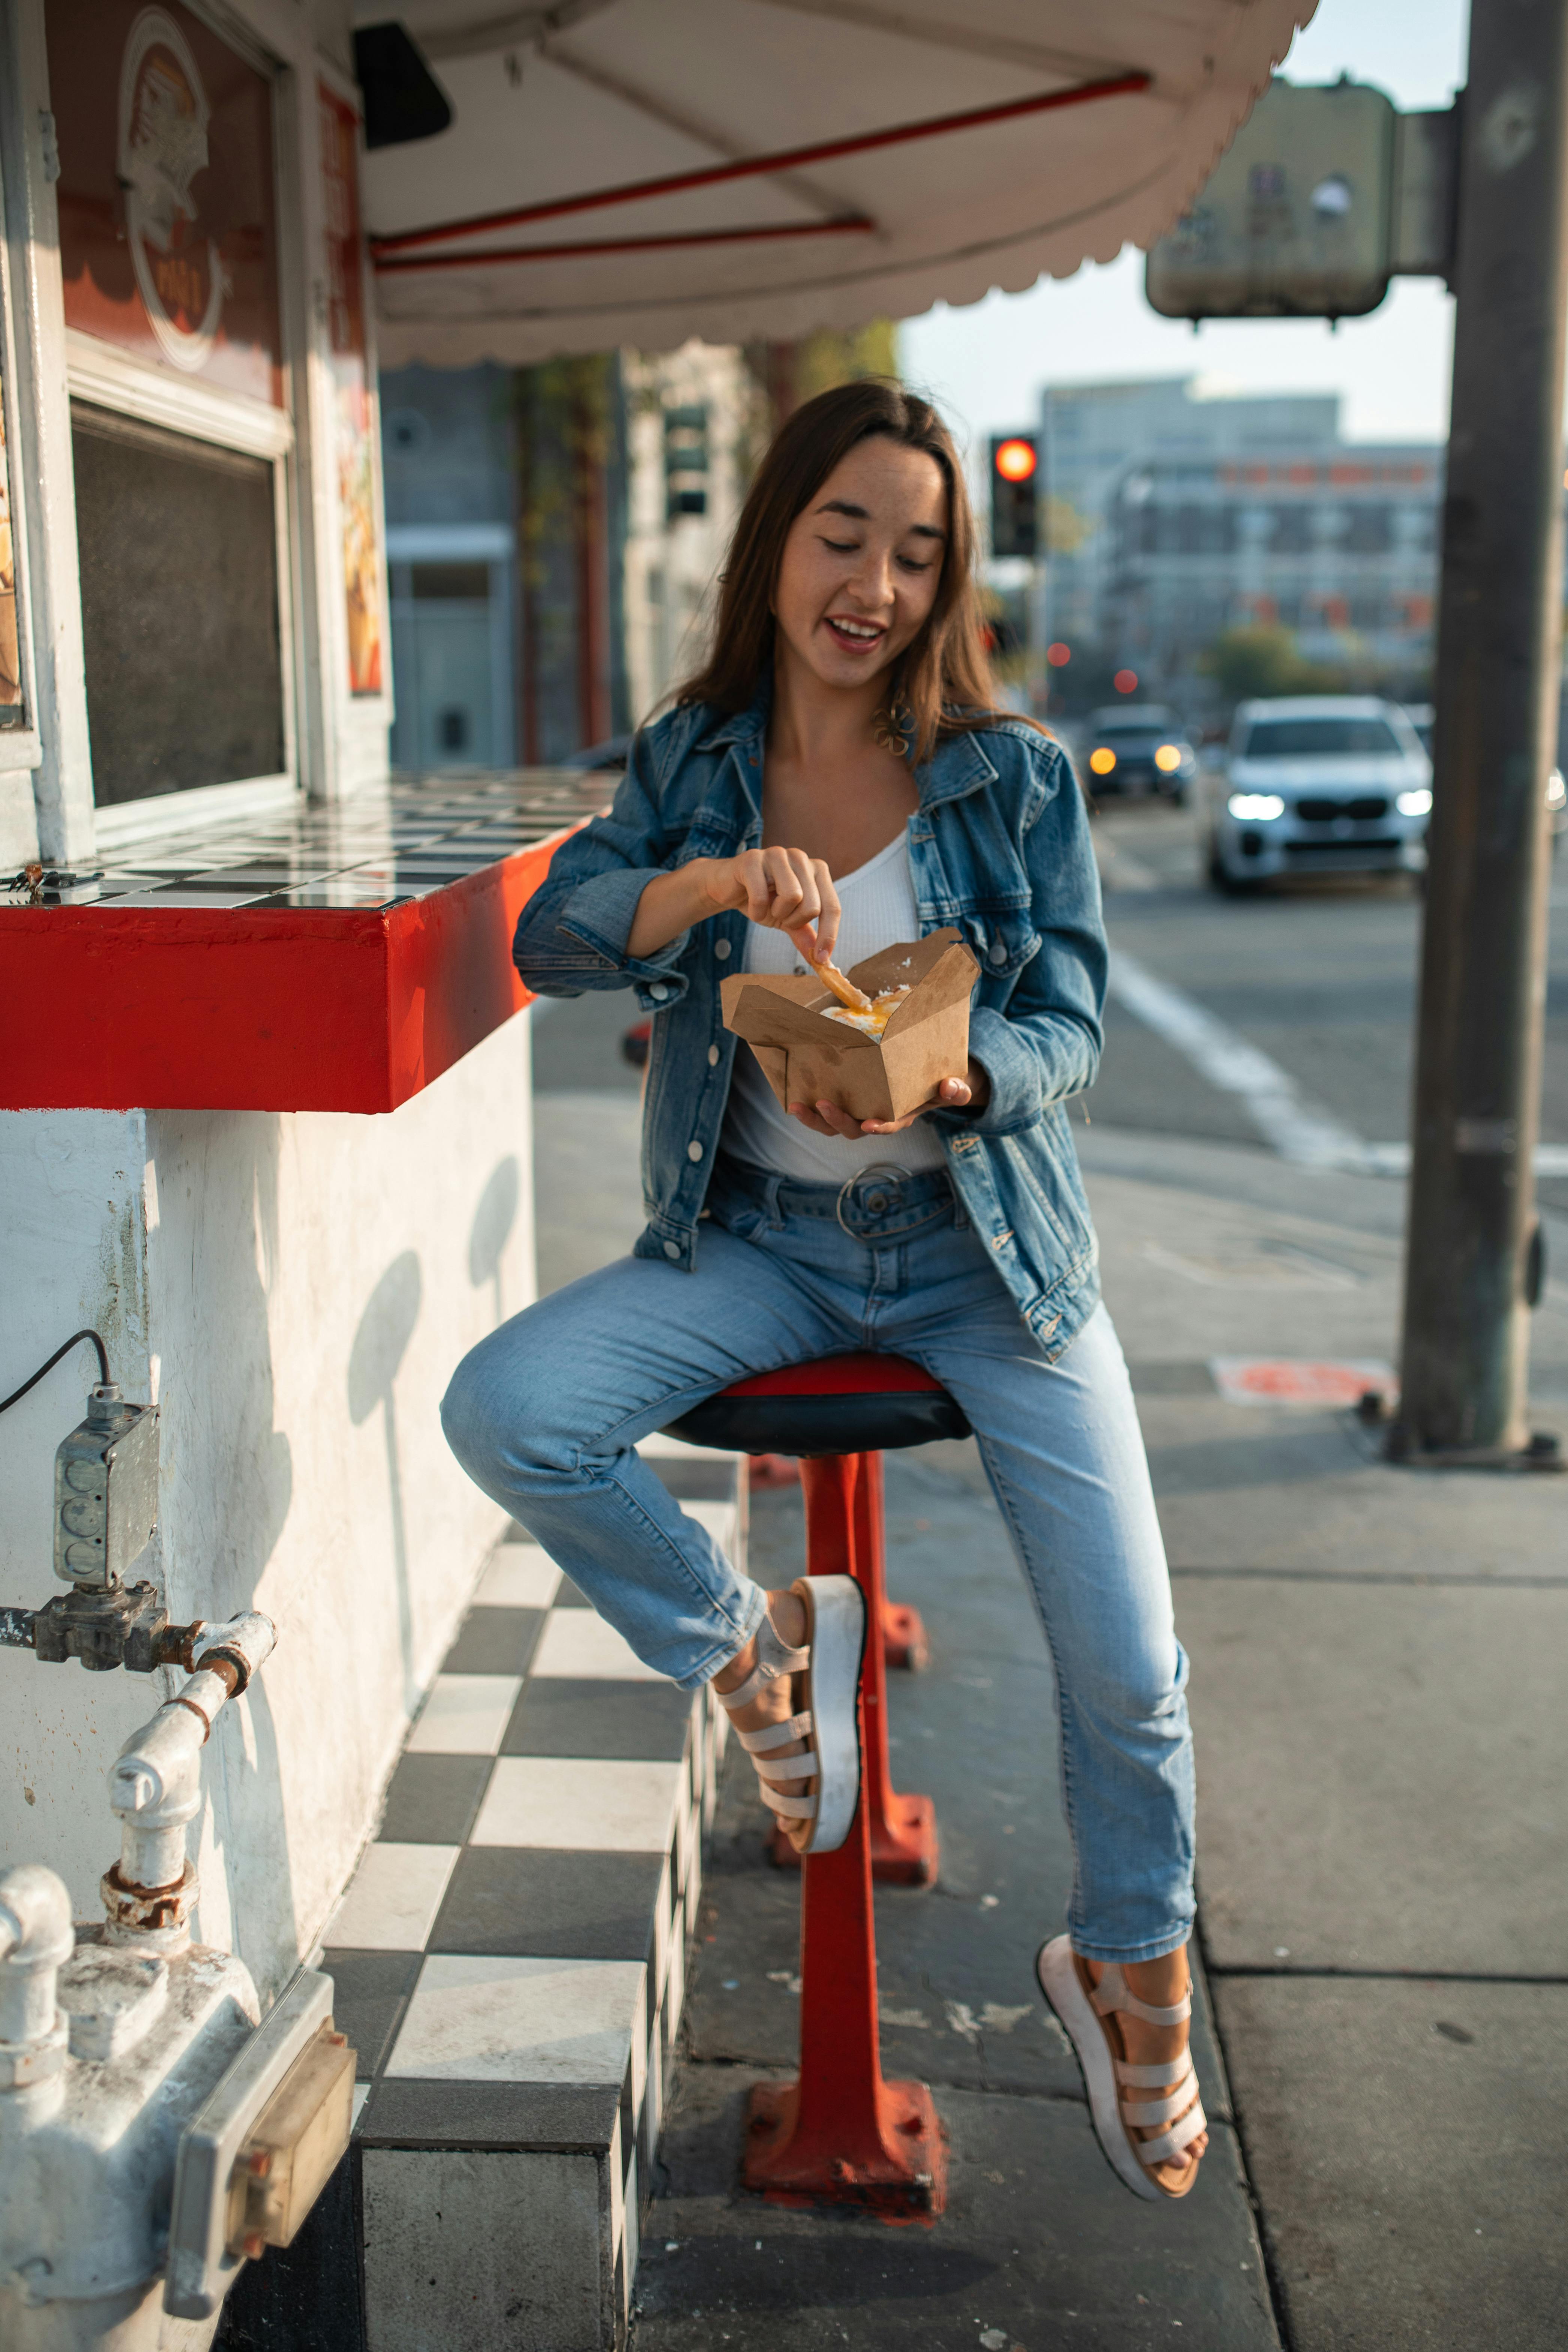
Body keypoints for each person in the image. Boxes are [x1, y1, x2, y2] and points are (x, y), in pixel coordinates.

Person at [441, 380, 1206, 2201]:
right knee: (509, 1410)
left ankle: (1130, 1958)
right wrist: (708, 884)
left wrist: (947, 1077)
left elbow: (1070, 1021)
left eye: (918, 551)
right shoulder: (693, 753)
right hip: (760, 1252)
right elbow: (554, 937)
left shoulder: (1007, 774)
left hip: (983, 1261)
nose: (872, 580)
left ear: (951, 581)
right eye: (844, 532)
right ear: (779, 533)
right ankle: (751, 1647)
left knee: (1134, 1668)